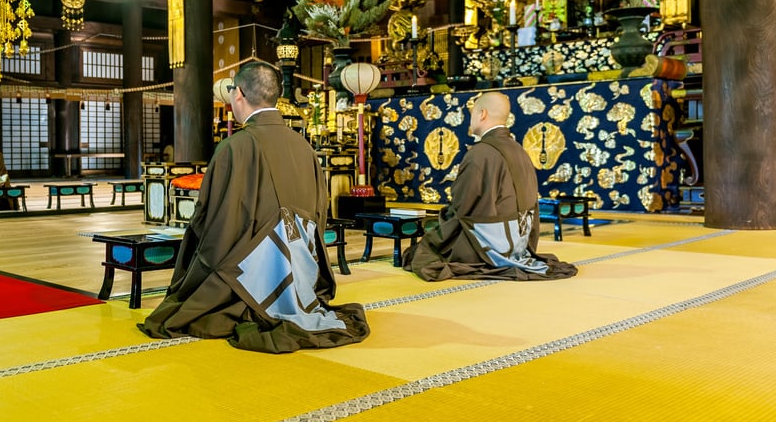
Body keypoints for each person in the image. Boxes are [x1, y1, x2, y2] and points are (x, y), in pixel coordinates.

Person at [139, 61, 370, 353]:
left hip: (248, 277)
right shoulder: (304, 148)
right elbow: (320, 214)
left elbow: (211, 221)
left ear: (238, 94)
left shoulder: (234, 147)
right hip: (301, 268)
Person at [404, 90, 578, 281]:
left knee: (421, 253)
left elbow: (463, 207)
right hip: (521, 241)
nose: (470, 121)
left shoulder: (481, 153)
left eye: (471, 115)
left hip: (491, 243)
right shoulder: (519, 149)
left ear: (482, 114)